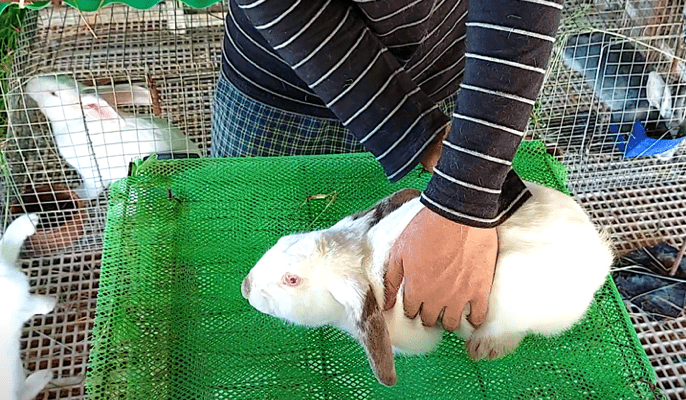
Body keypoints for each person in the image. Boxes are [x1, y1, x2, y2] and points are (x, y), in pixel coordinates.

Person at [212, 0, 563, 332]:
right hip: (282, 90)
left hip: (451, 79)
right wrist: (424, 142)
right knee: (234, 270)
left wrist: (465, 189)